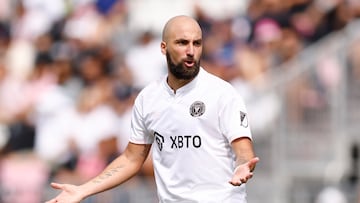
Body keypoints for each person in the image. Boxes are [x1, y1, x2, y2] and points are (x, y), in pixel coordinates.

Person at [46, 15, 259, 203]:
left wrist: (243, 165)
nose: (191, 51)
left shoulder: (222, 93)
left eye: (197, 43)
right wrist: (83, 190)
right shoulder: (149, 98)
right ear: (163, 47)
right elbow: (132, 158)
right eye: (182, 43)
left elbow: (243, 151)